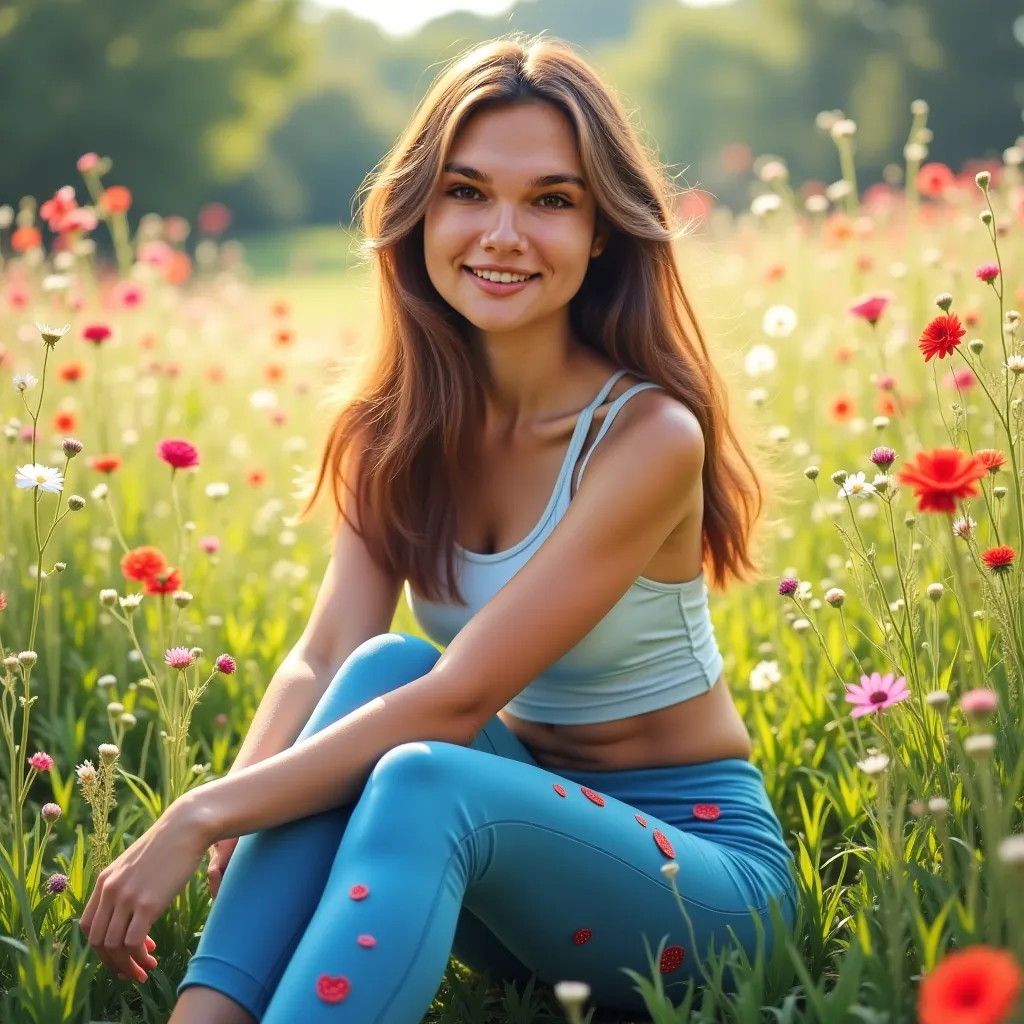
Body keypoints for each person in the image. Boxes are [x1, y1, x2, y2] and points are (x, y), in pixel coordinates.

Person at [79, 33, 796, 1024]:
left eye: (551, 199)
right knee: (378, 668)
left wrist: (201, 810)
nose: (502, 231)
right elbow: (326, 651)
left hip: (695, 890)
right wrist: (231, 821)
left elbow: (461, 700)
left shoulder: (645, 435)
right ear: (420, 211)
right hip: (507, 867)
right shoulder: (395, 428)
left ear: (600, 233)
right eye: (466, 191)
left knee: (421, 762)